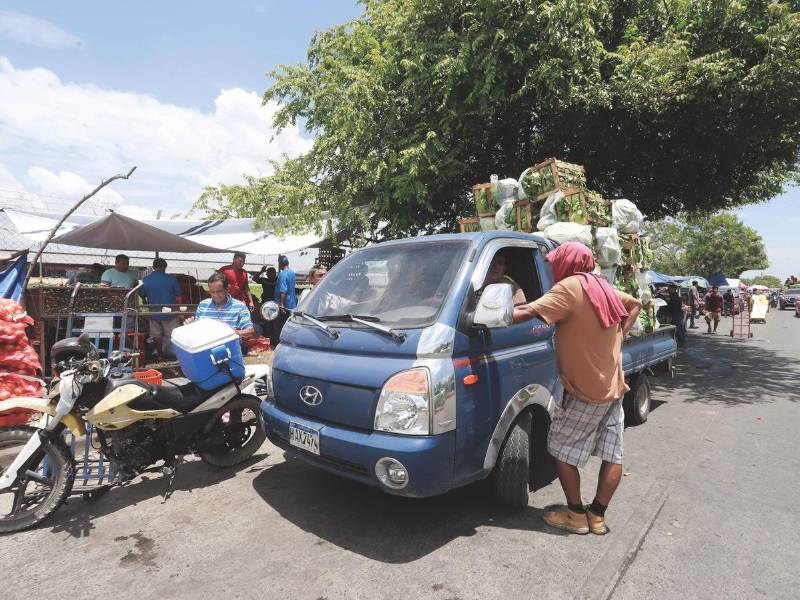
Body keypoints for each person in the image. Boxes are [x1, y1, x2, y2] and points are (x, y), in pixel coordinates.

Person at [512, 243, 641, 535]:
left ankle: (575, 514)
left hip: (586, 390)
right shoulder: (602, 286)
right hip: (613, 385)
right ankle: (596, 516)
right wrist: (620, 335)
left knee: (559, 448)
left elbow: (525, 313)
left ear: (567, 263)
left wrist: (491, 313)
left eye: (555, 263)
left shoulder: (569, 287)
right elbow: (635, 304)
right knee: (613, 454)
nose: (552, 269)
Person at [140, 258, 182, 357]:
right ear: (165, 267)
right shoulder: (171, 279)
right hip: (170, 312)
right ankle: (176, 354)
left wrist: (146, 300)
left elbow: (142, 294)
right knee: (173, 334)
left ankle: (160, 354)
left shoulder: (146, 280)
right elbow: (178, 293)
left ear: (154, 267)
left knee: (156, 335)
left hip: (154, 312)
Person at [192, 272, 254, 338]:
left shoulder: (240, 307)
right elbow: (196, 329)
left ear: (228, 289)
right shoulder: (203, 305)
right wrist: (191, 324)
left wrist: (234, 333)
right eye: (212, 292)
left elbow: (250, 331)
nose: (216, 295)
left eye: (219, 291)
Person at [273, 255, 297, 344]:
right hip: (292, 303)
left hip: (284, 304)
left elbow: (283, 290)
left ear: (280, 263)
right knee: (289, 324)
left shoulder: (283, 274)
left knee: (280, 325)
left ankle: (280, 343)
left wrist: (281, 304)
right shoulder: (292, 273)